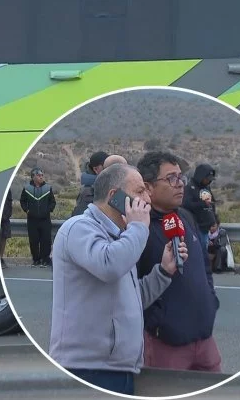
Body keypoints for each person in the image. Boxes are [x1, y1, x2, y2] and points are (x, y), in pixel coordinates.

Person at [48, 163, 188, 396]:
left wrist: (164, 271)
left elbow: (133, 299)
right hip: (87, 368)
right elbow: (108, 266)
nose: (148, 198)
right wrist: (139, 228)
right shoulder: (79, 228)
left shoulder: (121, 237)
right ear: (115, 196)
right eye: (140, 191)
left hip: (120, 368)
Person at [137, 151, 222, 372]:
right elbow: (132, 288)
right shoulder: (138, 228)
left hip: (204, 339)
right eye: (171, 178)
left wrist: (211, 301)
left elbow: (204, 265)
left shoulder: (185, 217)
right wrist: (157, 321)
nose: (180, 184)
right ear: (148, 187)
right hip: (165, 344)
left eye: (180, 177)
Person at [20, 168, 56, 267]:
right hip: (32, 220)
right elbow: (22, 201)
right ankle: (36, 260)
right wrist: (27, 210)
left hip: (45, 220)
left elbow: (53, 202)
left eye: (42, 175)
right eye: (39, 175)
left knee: (46, 240)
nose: (41, 177)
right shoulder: (27, 188)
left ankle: (45, 260)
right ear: (33, 177)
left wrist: (48, 210)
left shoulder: (48, 188)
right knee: (33, 241)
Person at [182, 163, 218, 251]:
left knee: (208, 252)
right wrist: (202, 204)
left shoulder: (207, 188)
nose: (208, 181)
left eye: (210, 179)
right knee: (200, 252)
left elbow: (212, 205)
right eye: (207, 179)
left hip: (208, 228)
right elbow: (185, 205)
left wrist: (215, 221)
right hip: (197, 228)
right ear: (200, 176)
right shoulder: (189, 188)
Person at [70, 151, 109, 217]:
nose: (108, 169)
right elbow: (81, 216)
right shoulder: (88, 191)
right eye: (105, 167)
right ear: (96, 169)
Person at [0, 189, 12, 269]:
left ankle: (0, 258)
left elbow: (9, 202)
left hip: (5, 217)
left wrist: (7, 214)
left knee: (4, 237)